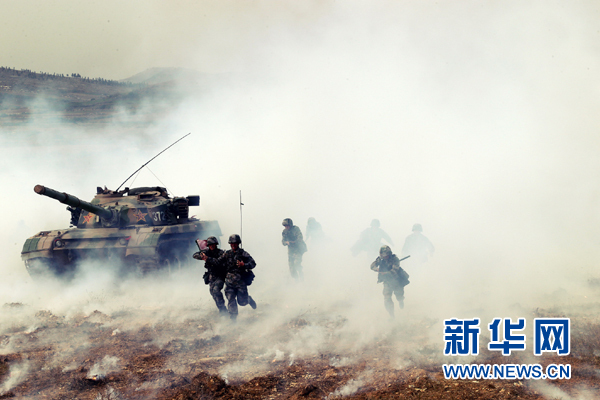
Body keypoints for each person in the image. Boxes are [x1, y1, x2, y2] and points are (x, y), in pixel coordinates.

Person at [220, 234, 257, 321]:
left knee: (242, 302)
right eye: (231, 243)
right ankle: (233, 318)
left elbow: (253, 263)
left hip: (240, 282)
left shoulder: (243, 254)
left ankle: (248, 299)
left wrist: (244, 265)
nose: (233, 245)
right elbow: (218, 261)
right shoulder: (227, 254)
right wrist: (207, 258)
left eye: (235, 243)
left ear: (238, 243)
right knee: (231, 299)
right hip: (229, 282)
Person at [370, 245, 409, 318]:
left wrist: (386, 273)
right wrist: (377, 269)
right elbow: (372, 266)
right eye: (383, 255)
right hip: (387, 282)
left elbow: (395, 270)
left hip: (397, 280)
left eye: (386, 255)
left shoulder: (395, 259)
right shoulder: (380, 260)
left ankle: (400, 300)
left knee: (399, 295)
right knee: (387, 298)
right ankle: (392, 315)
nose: (385, 257)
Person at [193, 236, 227, 315]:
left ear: (216, 244)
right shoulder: (207, 252)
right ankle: (221, 309)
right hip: (212, 276)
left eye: (213, 244)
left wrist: (207, 258)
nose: (212, 246)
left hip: (220, 275)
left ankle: (223, 309)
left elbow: (217, 261)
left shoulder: (221, 253)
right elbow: (194, 255)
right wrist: (202, 256)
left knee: (216, 290)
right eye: (210, 245)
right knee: (212, 293)